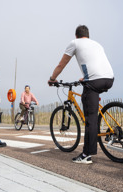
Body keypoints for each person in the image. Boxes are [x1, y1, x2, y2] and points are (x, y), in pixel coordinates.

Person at [48, 25, 114, 164]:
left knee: (90, 119)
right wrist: (85, 78)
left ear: (76, 35)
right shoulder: (97, 44)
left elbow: (61, 65)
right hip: (109, 78)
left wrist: (52, 79)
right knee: (92, 107)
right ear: (87, 35)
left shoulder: (74, 43)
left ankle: (86, 155)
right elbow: (96, 64)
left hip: (95, 81)